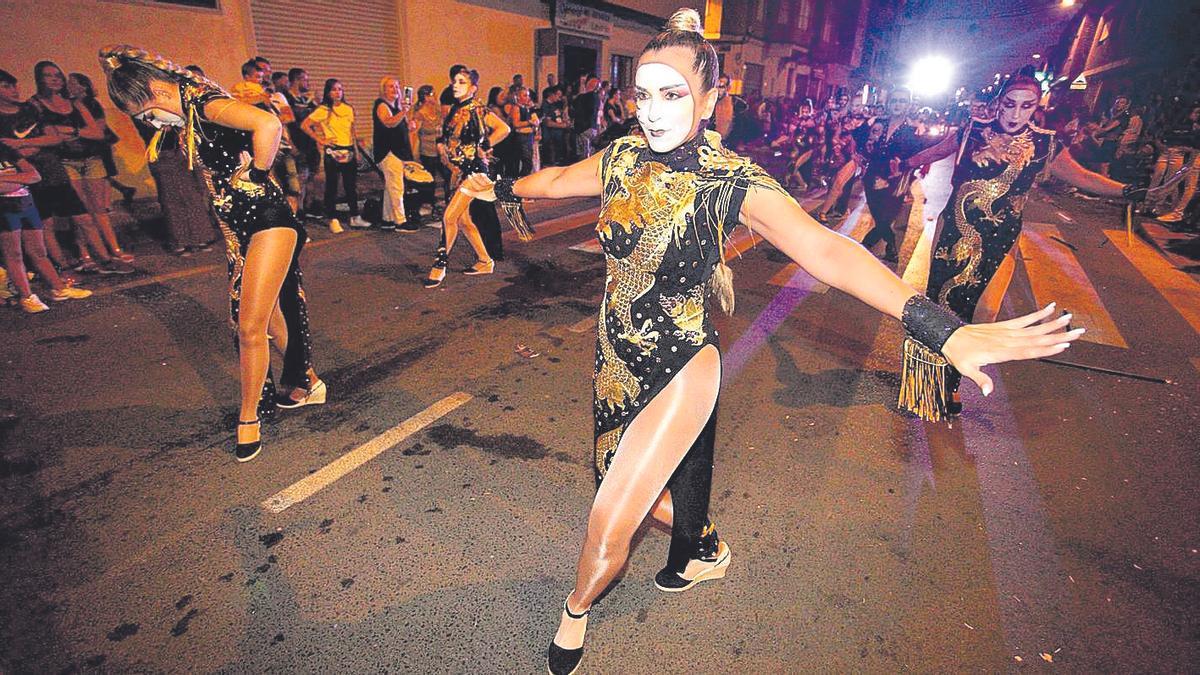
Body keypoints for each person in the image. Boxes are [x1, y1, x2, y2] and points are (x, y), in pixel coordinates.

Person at [461, 10, 1082, 673]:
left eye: (672, 93)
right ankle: (703, 544)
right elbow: (557, 180)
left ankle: (575, 609)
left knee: (609, 516)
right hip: (615, 359)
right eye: (642, 94)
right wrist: (497, 187)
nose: (652, 110)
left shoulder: (732, 180)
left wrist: (942, 329)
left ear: (710, 100)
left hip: (681, 364)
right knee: (627, 483)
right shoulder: (621, 158)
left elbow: (826, 249)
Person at [100, 45, 326, 462]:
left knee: (250, 326)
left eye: (145, 114)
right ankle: (307, 380)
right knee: (271, 318)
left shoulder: (206, 104)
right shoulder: (188, 112)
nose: (149, 123)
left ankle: (249, 418)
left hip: (269, 220)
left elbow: (268, 124)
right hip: (242, 227)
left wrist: (255, 174)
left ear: (156, 91)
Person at [900, 74, 1167, 416]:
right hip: (956, 232)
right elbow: (937, 151)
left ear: (1036, 107)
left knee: (985, 312)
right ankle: (929, 384)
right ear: (998, 102)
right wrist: (901, 163)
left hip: (1000, 239)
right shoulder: (972, 130)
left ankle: (952, 378)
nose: (1015, 114)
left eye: (1026, 106)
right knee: (942, 308)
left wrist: (1126, 190)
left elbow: (1081, 176)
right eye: (1009, 104)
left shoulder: (1044, 143)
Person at [29, 61, 134, 273]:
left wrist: (70, 131)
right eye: (49, 75)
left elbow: (97, 133)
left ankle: (112, 250)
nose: (55, 79)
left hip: (91, 158)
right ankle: (84, 253)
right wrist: (68, 133)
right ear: (39, 78)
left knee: (98, 209)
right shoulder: (35, 104)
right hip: (64, 161)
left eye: (58, 75)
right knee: (79, 211)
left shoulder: (74, 103)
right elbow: (49, 136)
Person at [424, 67, 509, 288]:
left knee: (449, 217)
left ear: (473, 88)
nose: (455, 85)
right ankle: (485, 261)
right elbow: (447, 137)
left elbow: (503, 128)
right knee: (464, 220)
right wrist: (442, 147)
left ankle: (439, 265)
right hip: (458, 170)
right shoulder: (456, 109)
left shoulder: (477, 108)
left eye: (461, 82)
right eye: (454, 81)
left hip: (473, 171)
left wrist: (485, 145)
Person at [0, 125, 92, 313]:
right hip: (4, 208)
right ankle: (26, 297)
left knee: (39, 251)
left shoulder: (5, 150)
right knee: (14, 254)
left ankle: (58, 288)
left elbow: (34, 176)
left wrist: (8, 179)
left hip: (26, 203)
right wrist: (18, 178)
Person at [855, 89, 925, 262]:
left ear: (908, 105)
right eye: (894, 100)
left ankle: (867, 244)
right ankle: (891, 244)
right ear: (888, 103)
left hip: (896, 178)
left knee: (888, 215)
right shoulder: (877, 123)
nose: (897, 104)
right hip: (872, 176)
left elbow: (917, 155)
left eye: (902, 101)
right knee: (878, 214)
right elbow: (858, 139)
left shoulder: (913, 129)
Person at [302, 78, 368, 231]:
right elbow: (305, 125)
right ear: (328, 92)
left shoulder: (348, 109)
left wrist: (356, 151)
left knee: (351, 185)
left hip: (349, 149)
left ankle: (355, 216)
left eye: (340, 89)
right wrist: (320, 139)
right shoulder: (323, 110)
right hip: (333, 151)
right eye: (334, 89)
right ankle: (332, 218)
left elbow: (351, 130)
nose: (338, 92)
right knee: (332, 185)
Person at [66, 73, 136, 208]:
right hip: (86, 146)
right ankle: (123, 190)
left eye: (72, 83)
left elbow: (100, 126)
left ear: (83, 86)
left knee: (103, 174)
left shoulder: (91, 103)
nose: (68, 86)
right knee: (100, 175)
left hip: (98, 145)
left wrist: (79, 132)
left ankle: (107, 205)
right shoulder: (71, 103)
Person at [374, 76, 416, 232]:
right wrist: (404, 111)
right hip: (388, 151)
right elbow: (388, 122)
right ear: (384, 90)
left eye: (397, 86)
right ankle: (400, 221)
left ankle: (388, 219)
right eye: (391, 86)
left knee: (391, 186)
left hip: (398, 151)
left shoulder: (397, 107)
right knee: (397, 187)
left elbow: (400, 125)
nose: (395, 89)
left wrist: (409, 123)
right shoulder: (381, 105)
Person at [282, 68, 319, 220]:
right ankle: (298, 211)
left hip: (310, 144)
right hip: (297, 143)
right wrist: (291, 144)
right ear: (296, 80)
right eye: (304, 79)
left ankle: (308, 207)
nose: (307, 83)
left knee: (310, 177)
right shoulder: (286, 99)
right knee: (298, 179)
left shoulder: (306, 100)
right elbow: (286, 123)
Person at [412, 84, 448, 218]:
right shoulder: (420, 113)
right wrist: (413, 153)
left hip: (440, 149)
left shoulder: (438, 111)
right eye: (432, 94)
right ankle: (427, 203)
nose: (435, 97)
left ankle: (448, 200)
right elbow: (414, 133)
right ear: (425, 97)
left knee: (447, 175)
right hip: (427, 150)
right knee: (430, 179)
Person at [504, 86, 539, 177]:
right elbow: (516, 124)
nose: (528, 98)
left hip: (529, 136)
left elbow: (536, 120)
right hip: (521, 137)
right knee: (526, 162)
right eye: (525, 95)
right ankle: (520, 179)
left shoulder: (528, 108)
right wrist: (529, 122)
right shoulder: (516, 108)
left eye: (528, 95)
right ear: (518, 97)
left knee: (529, 162)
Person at [540, 86, 571, 167]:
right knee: (552, 163)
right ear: (552, 94)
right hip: (550, 139)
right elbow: (547, 122)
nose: (559, 98)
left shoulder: (555, 105)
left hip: (558, 139)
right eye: (558, 95)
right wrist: (562, 126)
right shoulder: (545, 106)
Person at [571, 76, 600, 158]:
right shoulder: (595, 97)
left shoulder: (587, 97)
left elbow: (576, 108)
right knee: (587, 152)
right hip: (591, 127)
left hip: (584, 128)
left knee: (584, 155)